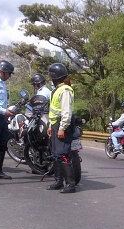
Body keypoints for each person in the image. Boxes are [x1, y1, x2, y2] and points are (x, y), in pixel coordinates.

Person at [46, 63, 77, 193]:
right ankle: (58, 181)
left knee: (63, 154)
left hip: (61, 125)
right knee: (56, 155)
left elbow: (66, 111)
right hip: (55, 124)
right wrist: (50, 125)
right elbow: (53, 111)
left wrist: (62, 128)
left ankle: (70, 184)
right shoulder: (57, 90)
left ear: (54, 77)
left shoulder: (65, 90)